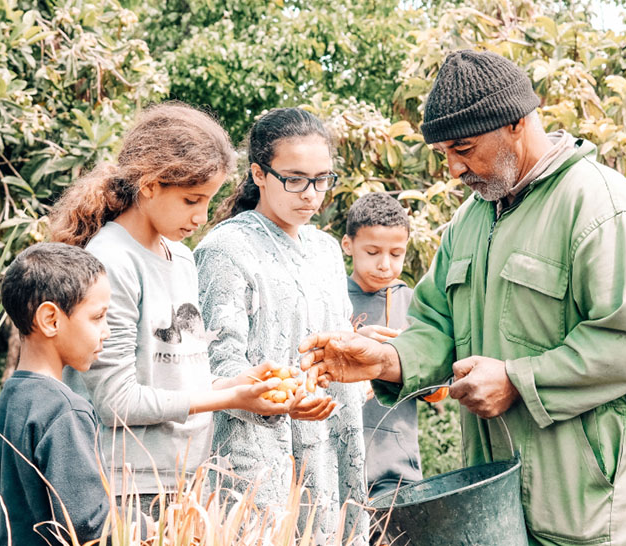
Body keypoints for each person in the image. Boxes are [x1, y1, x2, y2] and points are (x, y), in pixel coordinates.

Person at [299, 49, 626, 545]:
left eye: (464, 147)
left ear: (517, 123)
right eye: (443, 154)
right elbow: (436, 325)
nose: (453, 169)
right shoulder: (471, 221)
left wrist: (518, 380)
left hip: (591, 508)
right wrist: (386, 359)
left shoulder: (601, 207)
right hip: (495, 498)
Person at [49, 102, 296, 518]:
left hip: (184, 481)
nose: (201, 217)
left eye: (208, 201)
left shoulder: (180, 257)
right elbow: (116, 401)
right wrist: (229, 397)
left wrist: (239, 386)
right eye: (190, 200)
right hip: (126, 488)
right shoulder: (112, 261)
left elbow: (180, 378)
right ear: (148, 184)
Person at [195, 107, 367, 544]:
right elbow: (217, 365)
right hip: (257, 453)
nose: (311, 194)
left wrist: (363, 351)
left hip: (332, 443)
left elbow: (335, 337)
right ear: (259, 173)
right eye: (295, 179)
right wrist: (282, 398)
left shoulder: (327, 250)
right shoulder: (225, 249)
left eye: (322, 179)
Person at [0, 243, 149, 545]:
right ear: (51, 320)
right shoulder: (64, 411)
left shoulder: (6, 403)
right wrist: (152, 525)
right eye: (98, 317)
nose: (106, 331)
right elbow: (87, 524)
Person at [341, 192, 425, 501]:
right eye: (373, 251)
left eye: (396, 253)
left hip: (396, 465)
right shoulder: (327, 298)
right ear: (348, 245)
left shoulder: (414, 304)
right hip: (334, 460)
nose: (384, 264)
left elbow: (438, 387)